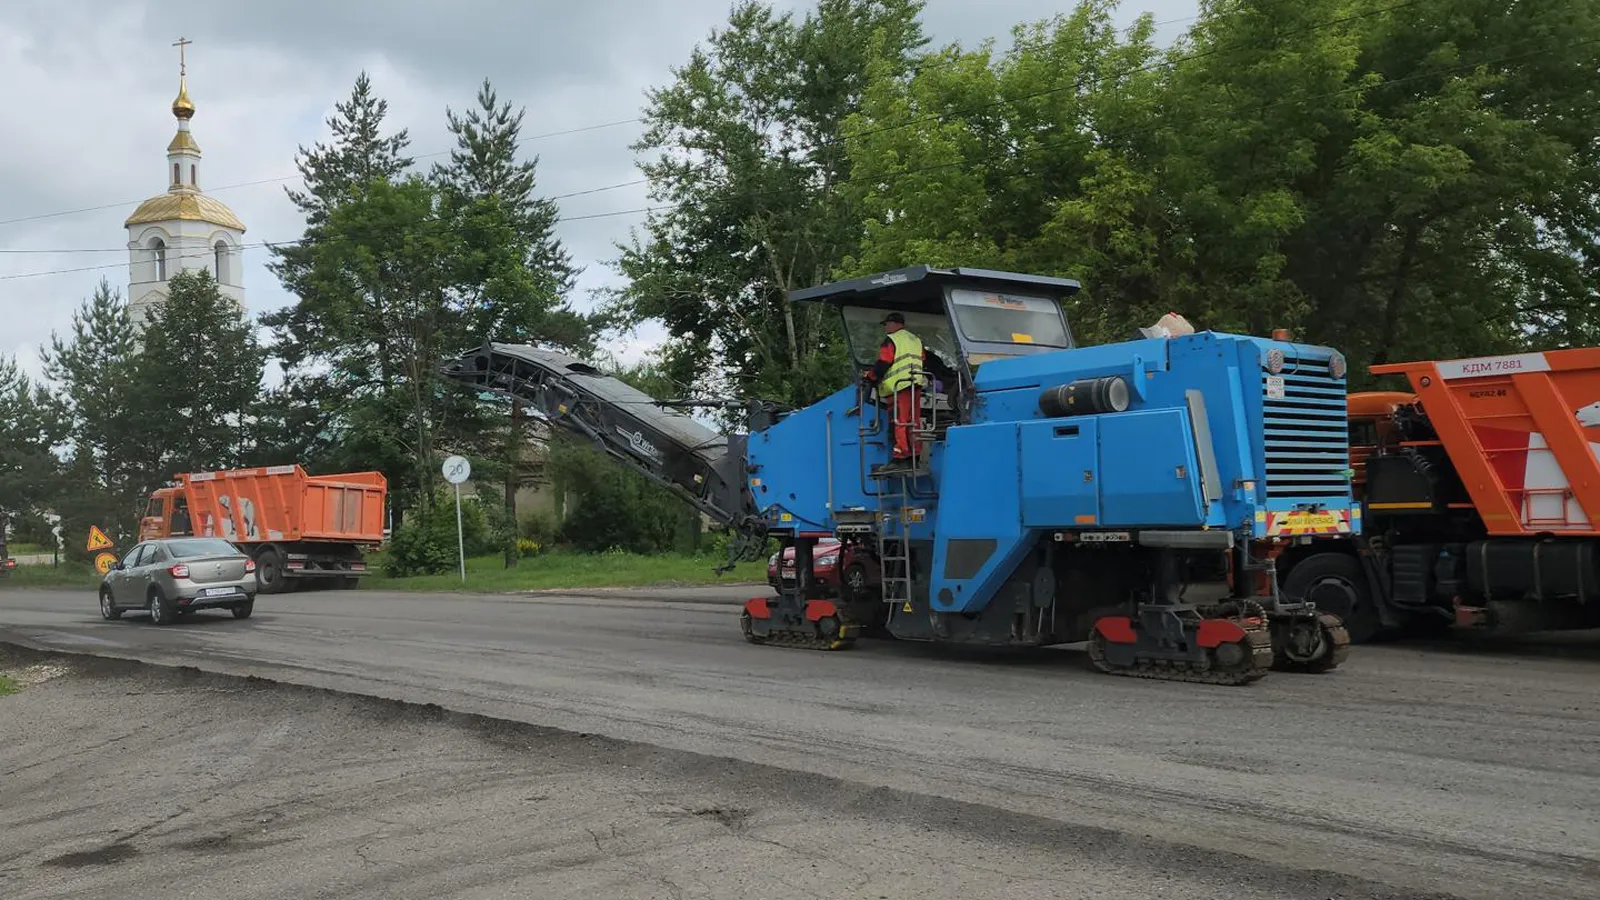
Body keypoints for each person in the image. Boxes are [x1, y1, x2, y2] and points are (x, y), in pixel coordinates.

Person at [862, 312, 947, 468]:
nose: (886, 327)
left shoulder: (891, 340)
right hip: (916, 384)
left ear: (894, 324)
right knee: (913, 421)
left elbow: (884, 362)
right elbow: (922, 359)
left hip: (899, 387)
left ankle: (900, 456)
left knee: (899, 420)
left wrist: (871, 376)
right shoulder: (915, 340)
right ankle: (914, 454)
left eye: (887, 324)